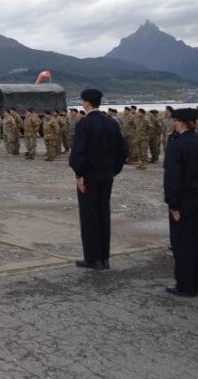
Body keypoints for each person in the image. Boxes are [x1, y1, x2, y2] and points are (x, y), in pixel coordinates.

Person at [69, 89, 127, 270]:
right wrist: (113, 170)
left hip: (90, 176)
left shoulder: (84, 124)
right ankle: (104, 257)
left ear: (86, 103)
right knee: (103, 214)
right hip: (106, 175)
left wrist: (79, 175)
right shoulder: (111, 123)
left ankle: (93, 258)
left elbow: (77, 153)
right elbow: (122, 151)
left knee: (89, 216)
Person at [163, 108, 198, 297]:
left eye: (174, 120)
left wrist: (173, 204)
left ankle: (185, 286)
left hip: (184, 201)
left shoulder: (177, 145)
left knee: (182, 244)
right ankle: (196, 284)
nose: (172, 124)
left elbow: (172, 178)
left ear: (181, 122)